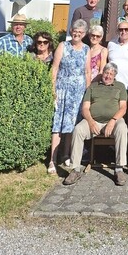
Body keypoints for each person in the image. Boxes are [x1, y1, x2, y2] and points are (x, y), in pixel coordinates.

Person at [63, 63, 128, 186]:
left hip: (113, 121)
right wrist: (91, 122)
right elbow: (85, 108)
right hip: (94, 121)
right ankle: (75, 169)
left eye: (111, 74)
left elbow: (123, 108)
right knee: (78, 130)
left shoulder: (120, 86)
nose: (108, 76)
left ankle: (119, 169)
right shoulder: (93, 87)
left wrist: (113, 120)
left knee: (122, 128)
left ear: (115, 76)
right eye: (106, 73)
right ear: (102, 73)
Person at [49, 19, 91, 175]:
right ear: (71, 31)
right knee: (58, 124)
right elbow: (55, 68)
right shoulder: (63, 46)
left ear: (84, 34)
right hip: (63, 90)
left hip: (78, 92)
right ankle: (52, 160)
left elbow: (87, 72)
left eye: (80, 32)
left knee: (72, 124)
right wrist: (53, 89)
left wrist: (88, 93)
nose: (77, 34)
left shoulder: (86, 49)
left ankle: (66, 155)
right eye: (75, 31)